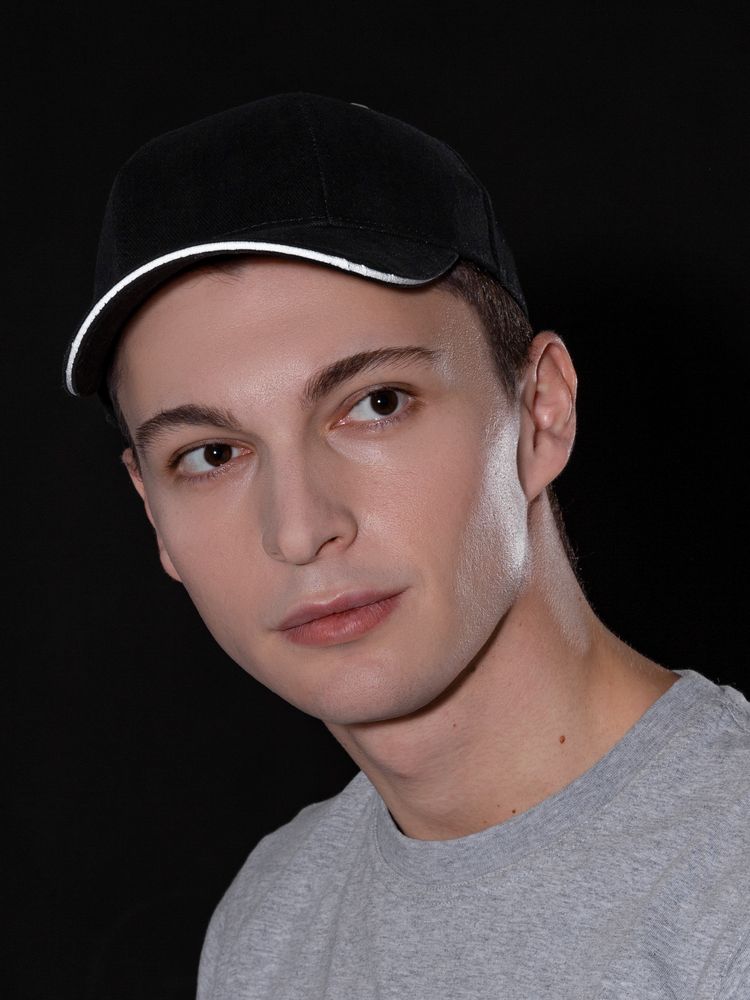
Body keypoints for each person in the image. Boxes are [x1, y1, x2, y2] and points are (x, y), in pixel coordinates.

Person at [63, 93, 749, 998]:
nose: (299, 529)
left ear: (542, 411)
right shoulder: (270, 921)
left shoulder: (726, 884)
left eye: (375, 403)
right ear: (153, 513)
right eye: (212, 454)